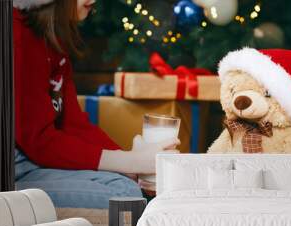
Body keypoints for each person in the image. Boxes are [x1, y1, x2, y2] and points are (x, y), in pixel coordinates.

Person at [13, 0, 179, 208]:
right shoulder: (18, 36)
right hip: (14, 172)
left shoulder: (54, 37)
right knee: (124, 194)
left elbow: (72, 124)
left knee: (127, 184)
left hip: (35, 163)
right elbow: (39, 141)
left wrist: (130, 162)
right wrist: (131, 161)